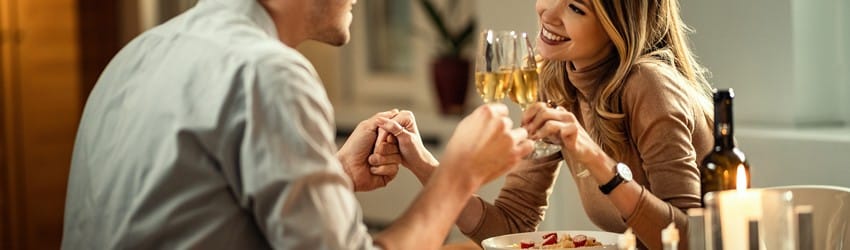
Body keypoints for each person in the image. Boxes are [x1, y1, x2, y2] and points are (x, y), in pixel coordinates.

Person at [61, 0, 534, 249]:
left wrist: (336, 175)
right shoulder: (267, 73)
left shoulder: (138, 54)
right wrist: (457, 176)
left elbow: (188, 214)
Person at [381, 0, 713, 249]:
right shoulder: (555, 81)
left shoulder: (649, 85)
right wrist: (422, 163)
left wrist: (595, 159)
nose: (548, 13)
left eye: (575, 7)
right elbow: (511, 225)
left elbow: (687, 241)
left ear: (618, 23)